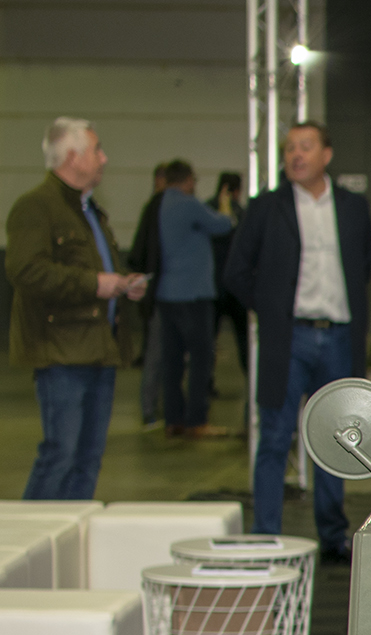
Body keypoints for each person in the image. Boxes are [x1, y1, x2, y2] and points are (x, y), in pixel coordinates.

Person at [223, 121, 371, 562]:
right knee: (274, 436)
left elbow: (362, 264)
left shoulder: (353, 207)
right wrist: (270, 309)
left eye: (305, 147)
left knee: (337, 440)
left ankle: (333, 534)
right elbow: (235, 272)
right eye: (290, 149)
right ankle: (265, 534)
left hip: (339, 336)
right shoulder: (266, 208)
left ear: (327, 154)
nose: (295, 156)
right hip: (290, 338)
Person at [6, 117, 145, 500]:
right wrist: (96, 284)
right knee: (61, 455)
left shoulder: (87, 211)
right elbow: (25, 270)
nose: (104, 158)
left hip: (98, 350)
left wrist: (119, 282)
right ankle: (30, 542)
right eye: (97, 150)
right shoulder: (36, 207)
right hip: (63, 354)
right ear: (72, 157)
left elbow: (90, 269)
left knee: (87, 458)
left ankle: (71, 540)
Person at [153, 160, 232, 438]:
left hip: (167, 294)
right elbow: (222, 225)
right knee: (201, 358)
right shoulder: (189, 204)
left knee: (172, 360)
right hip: (194, 294)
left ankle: (174, 418)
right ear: (187, 180)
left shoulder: (162, 205)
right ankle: (197, 419)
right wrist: (224, 204)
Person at [128, 161, 172, 426]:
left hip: (157, 294)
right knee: (156, 355)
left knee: (161, 355)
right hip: (158, 296)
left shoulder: (155, 208)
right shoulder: (156, 209)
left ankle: (157, 409)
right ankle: (149, 409)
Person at [208, 171, 248, 385]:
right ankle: (250, 379)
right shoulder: (242, 214)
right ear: (237, 191)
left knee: (208, 341)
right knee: (243, 338)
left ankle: (206, 384)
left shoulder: (206, 209)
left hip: (212, 286)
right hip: (235, 288)